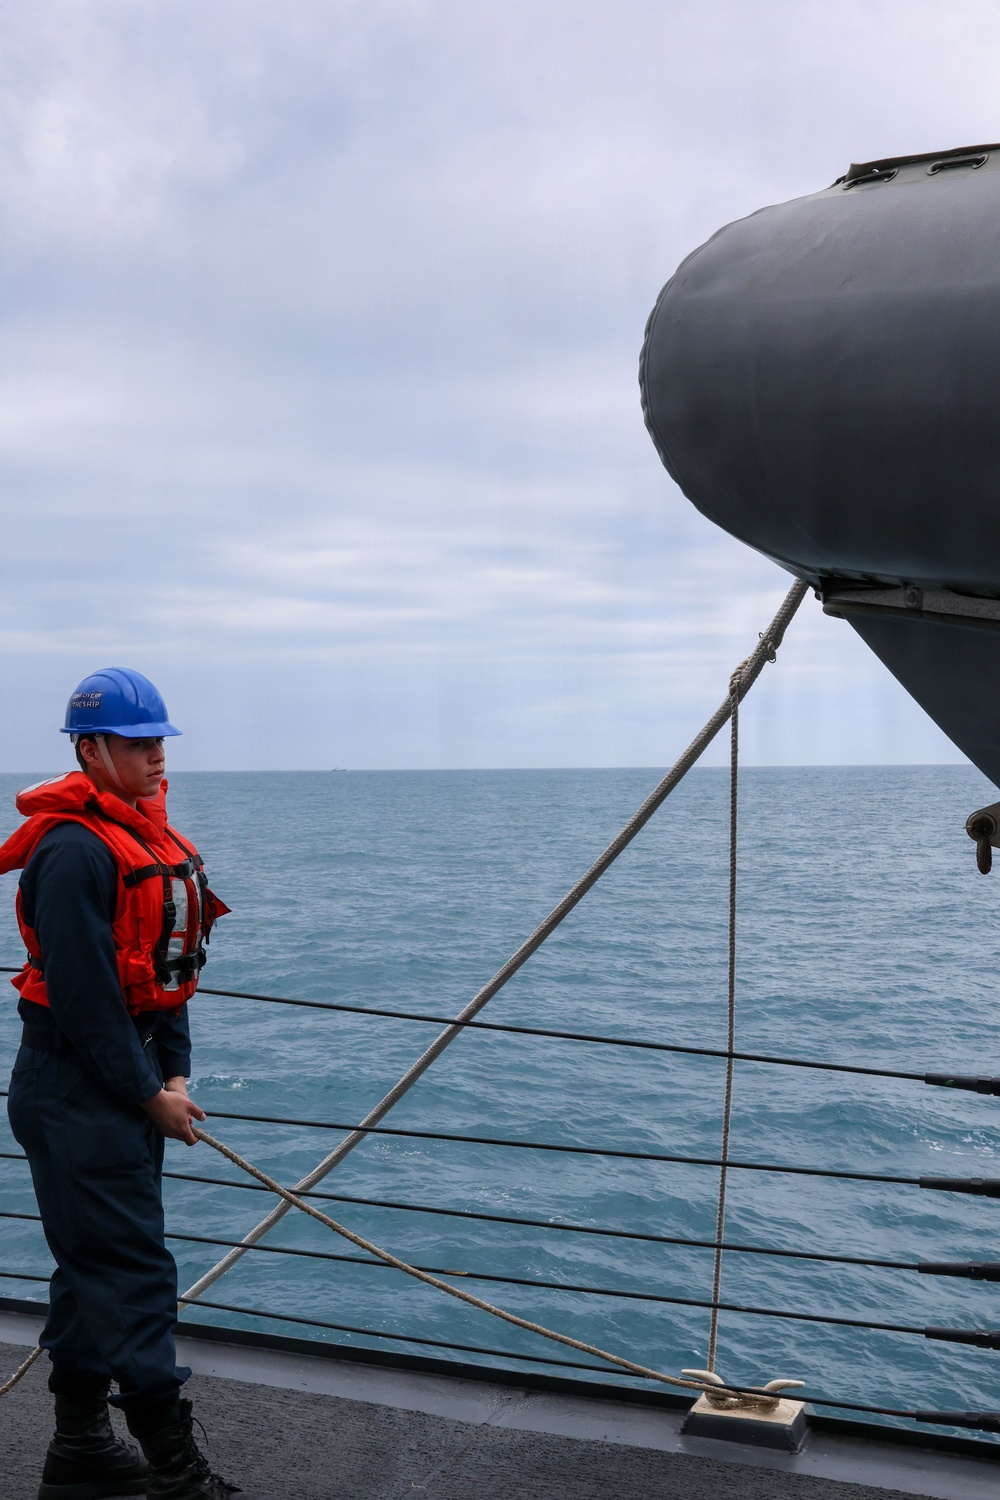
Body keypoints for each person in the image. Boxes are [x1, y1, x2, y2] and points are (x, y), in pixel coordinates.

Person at [1, 668, 258, 1500]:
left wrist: (172, 1071)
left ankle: (79, 1448)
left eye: (158, 742)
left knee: (92, 1267)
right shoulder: (74, 852)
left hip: (124, 1079)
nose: (155, 757)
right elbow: (82, 1001)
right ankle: (176, 1475)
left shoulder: (145, 840)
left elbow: (158, 978)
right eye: (139, 743)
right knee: (135, 1274)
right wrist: (151, 1095)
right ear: (91, 748)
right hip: (76, 1087)